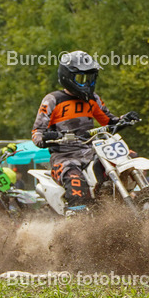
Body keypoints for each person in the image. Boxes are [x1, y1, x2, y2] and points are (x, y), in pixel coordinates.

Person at [30, 51, 139, 213]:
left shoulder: (92, 99)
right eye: (81, 78)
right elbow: (36, 133)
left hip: (92, 151)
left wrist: (125, 119)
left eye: (90, 78)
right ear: (68, 77)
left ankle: (128, 203)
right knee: (76, 184)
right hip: (65, 156)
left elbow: (109, 121)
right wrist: (46, 137)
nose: (87, 83)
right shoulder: (53, 100)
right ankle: (77, 221)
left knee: (129, 157)